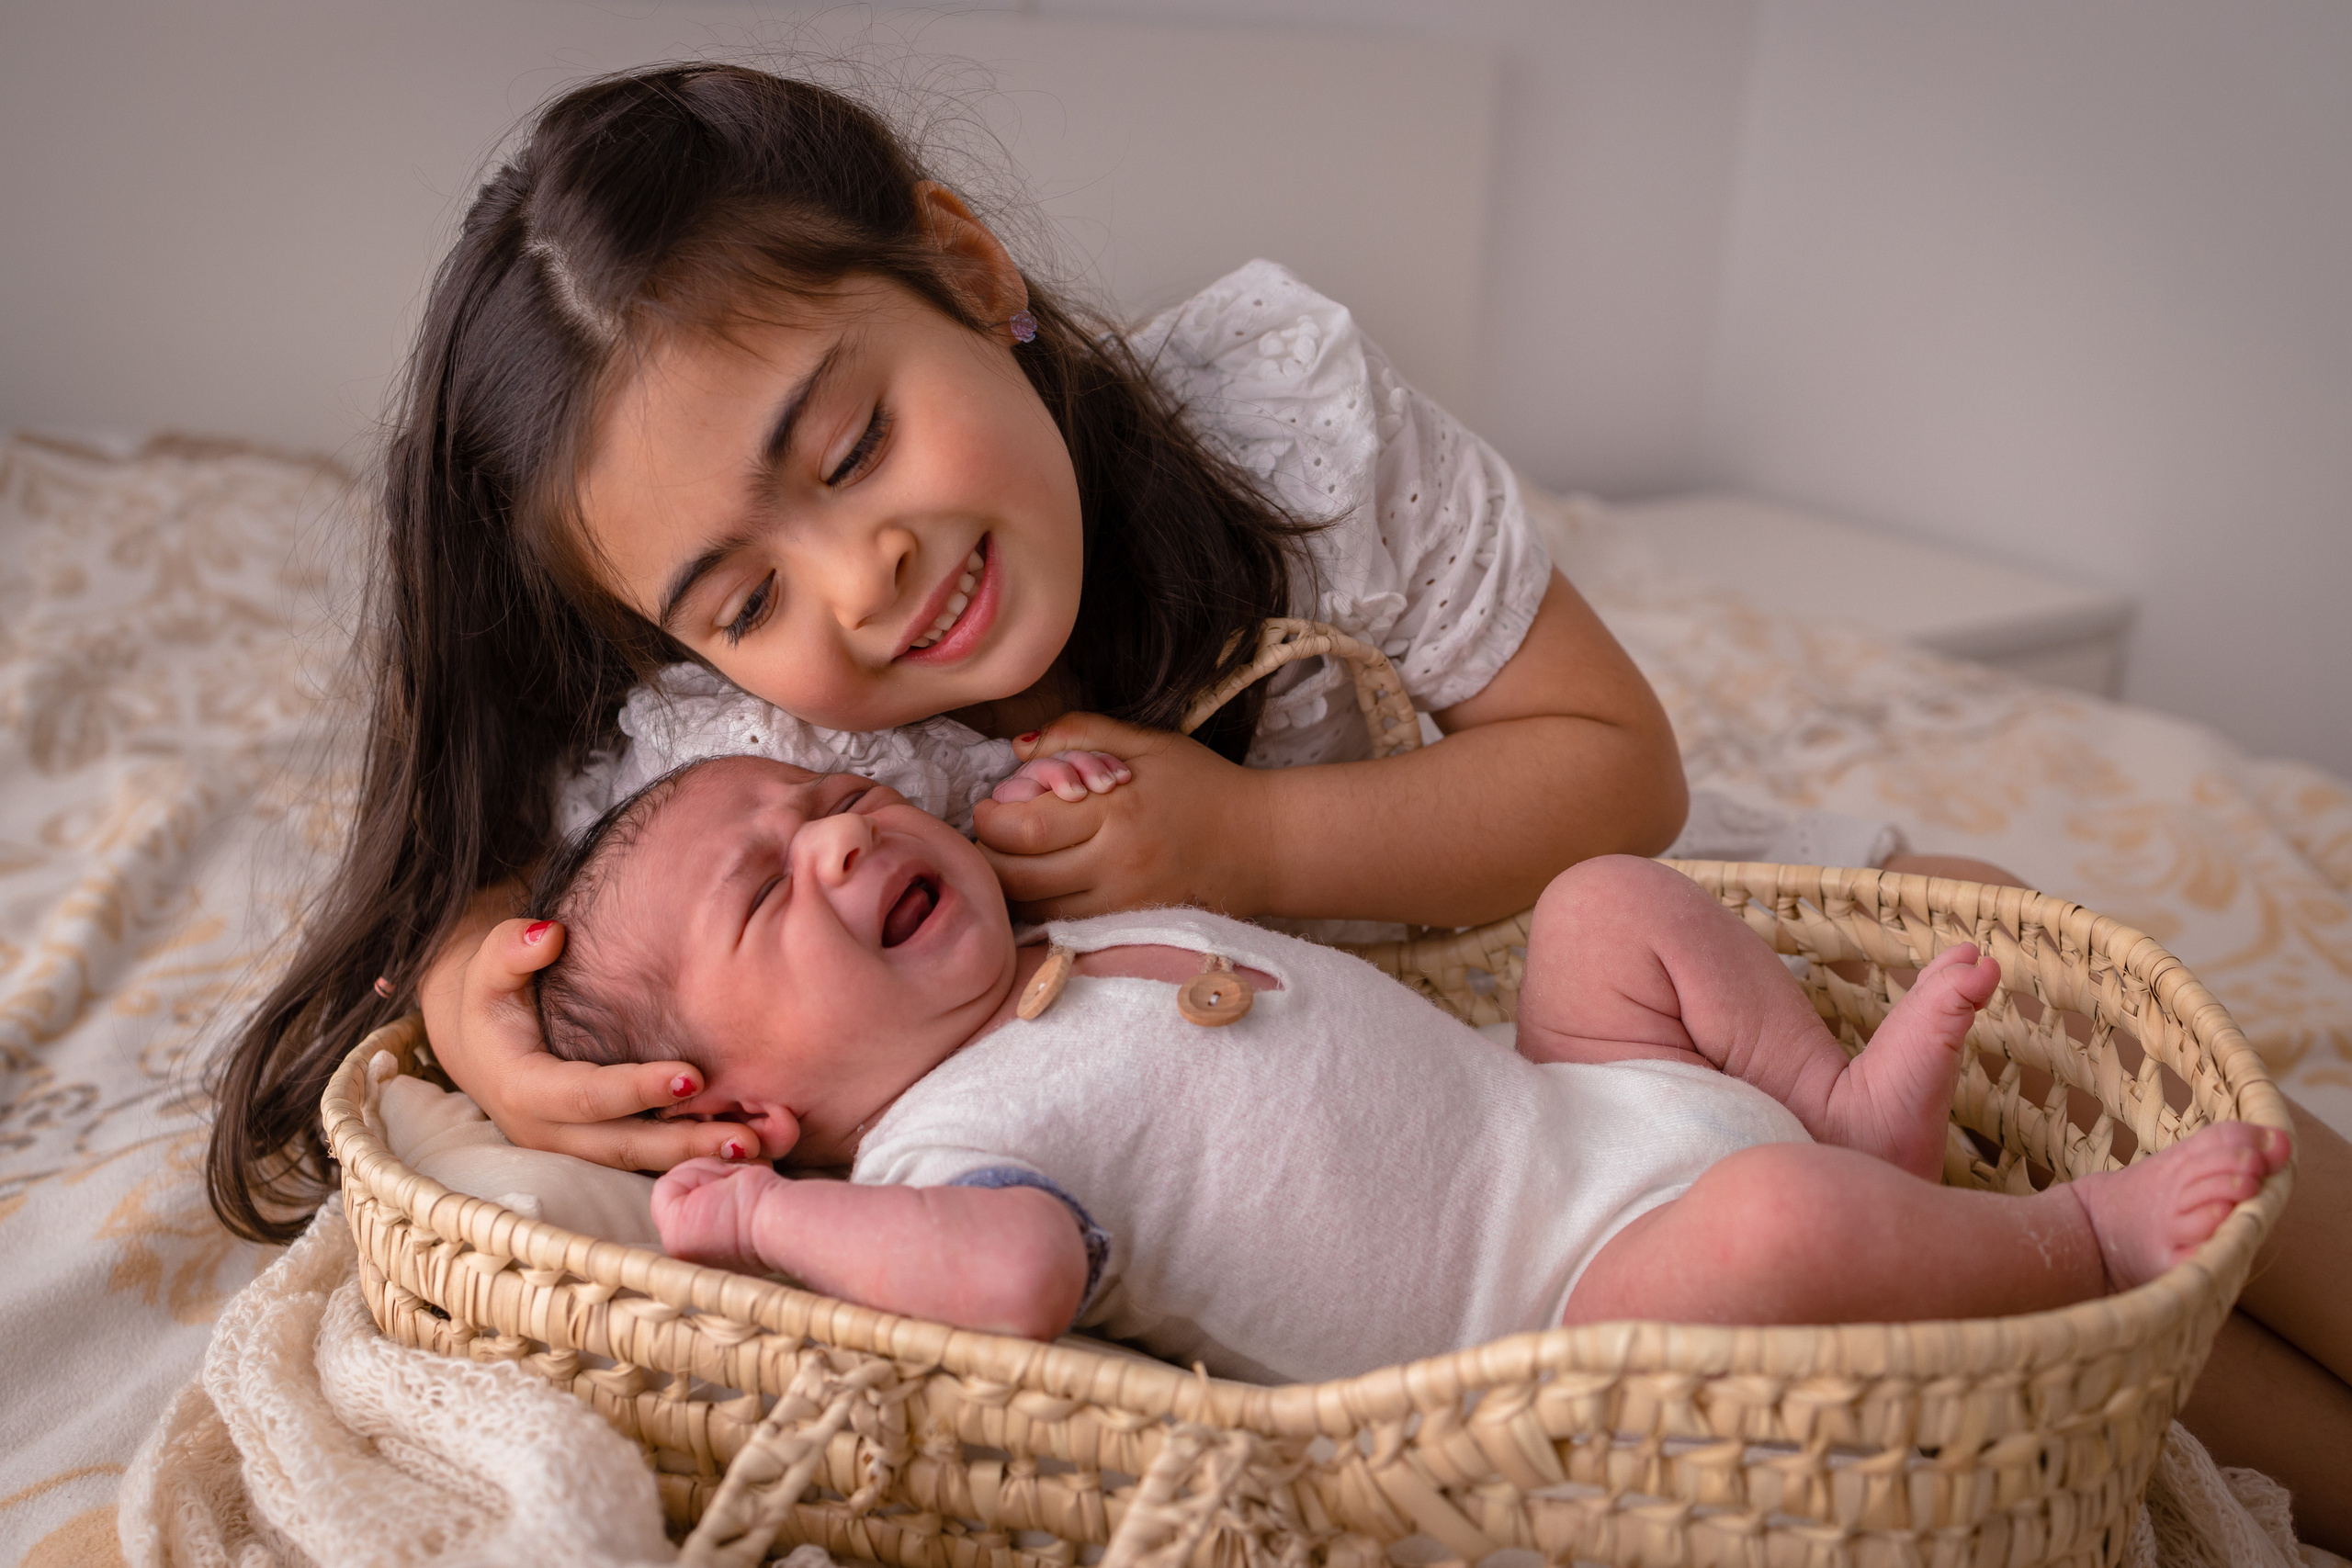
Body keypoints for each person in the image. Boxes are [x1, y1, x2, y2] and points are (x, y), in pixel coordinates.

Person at [200, 61, 2352, 1537]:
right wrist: (474, 997)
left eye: (848, 447)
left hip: (1552, 953)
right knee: (2059, 1318)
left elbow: (1617, 767)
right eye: (737, 591)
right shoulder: (778, 777)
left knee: (2060, 988)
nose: (853, 582)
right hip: (1480, 1193)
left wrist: (1239, 849)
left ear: (967, 272)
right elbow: (521, 897)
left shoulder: (1278, 433)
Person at [526, 753, 2285, 1386]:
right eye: (770, 890)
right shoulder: (941, 1148)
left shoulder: (1043, 960)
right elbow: (1010, 1280)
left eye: (837, 801)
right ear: (743, 1107)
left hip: (1580, 1103)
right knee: (1769, 1239)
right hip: (1564, 1292)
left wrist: (1056, 811)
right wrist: (762, 1223)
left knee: (1601, 903)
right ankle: (2072, 1246)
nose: (840, 843)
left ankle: (1839, 1117)